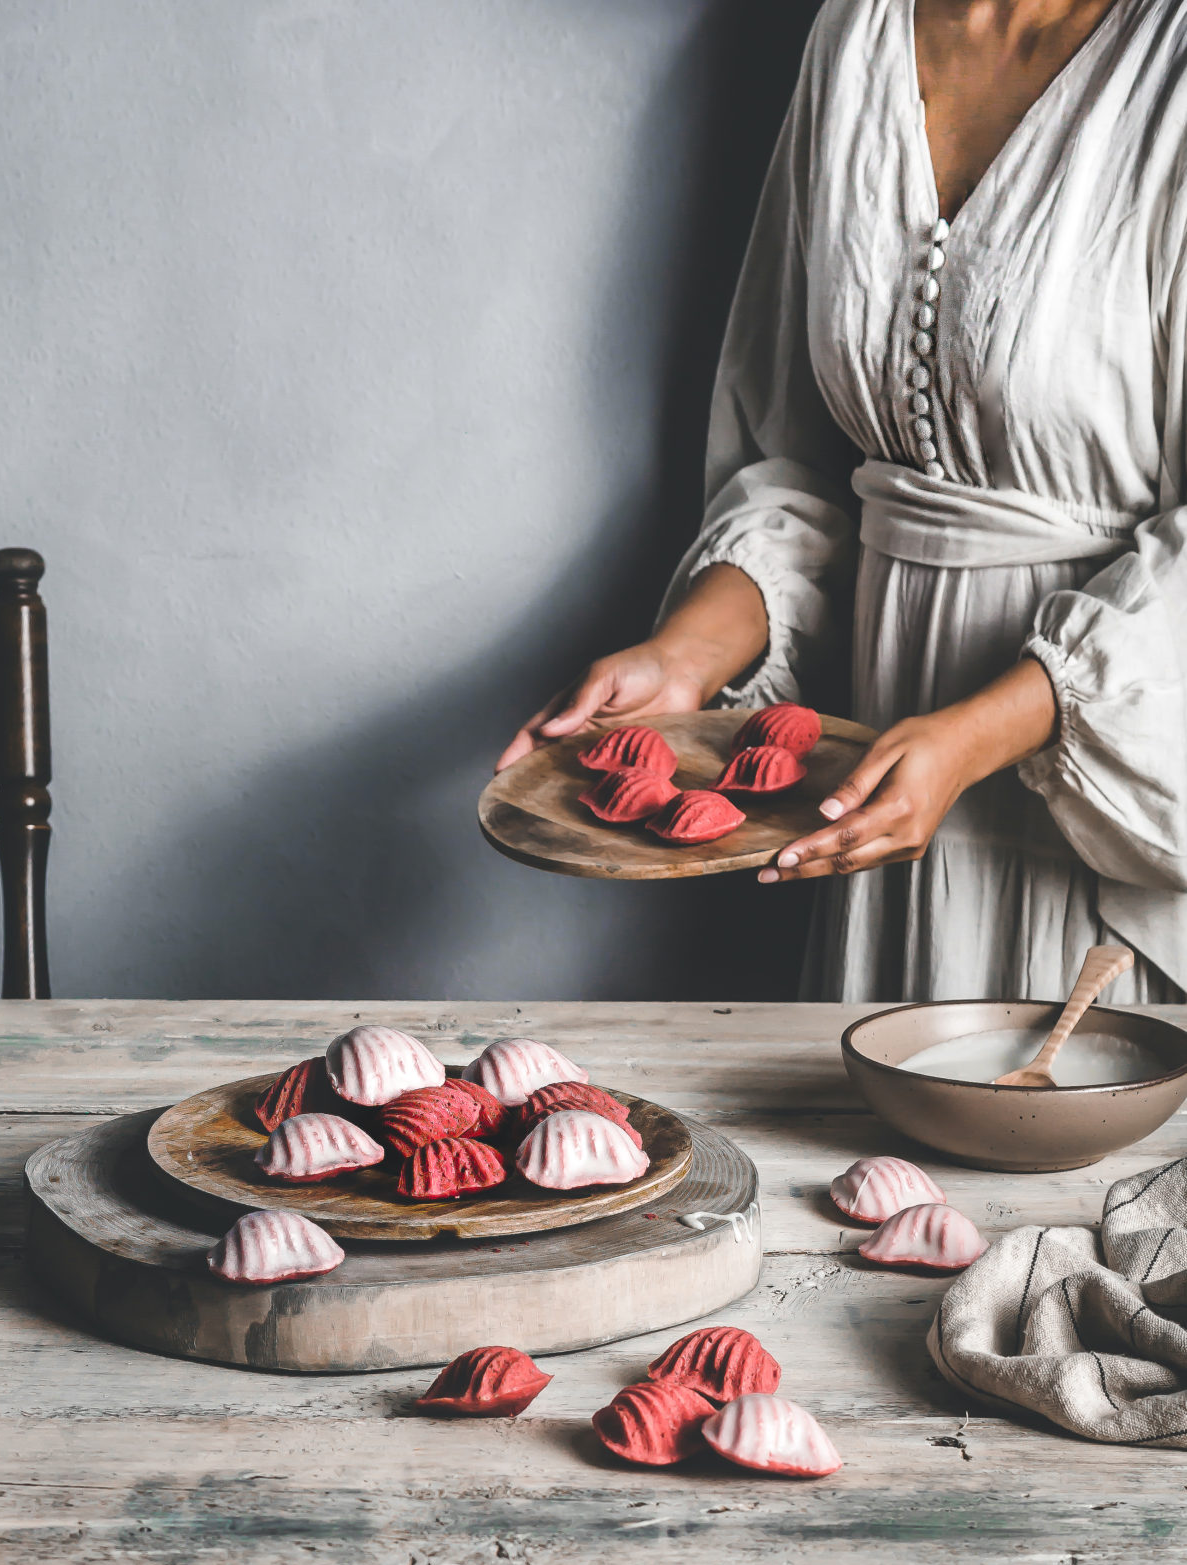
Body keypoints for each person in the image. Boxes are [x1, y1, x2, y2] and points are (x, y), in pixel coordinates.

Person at [498, 0, 1187, 1003]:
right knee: (864, 1149)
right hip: (875, 782)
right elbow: (801, 456)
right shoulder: (855, 32)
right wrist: (684, 655)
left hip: (1105, 797)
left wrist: (982, 734)